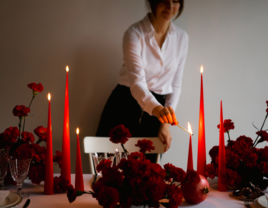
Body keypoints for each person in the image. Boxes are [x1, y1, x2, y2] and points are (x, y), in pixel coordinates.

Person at [96, 0, 188, 161]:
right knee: (111, 167)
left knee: (146, 174)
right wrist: (158, 110)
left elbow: (175, 84)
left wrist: (165, 123)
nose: (170, 7)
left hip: (158, 111)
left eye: (175, 1)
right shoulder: (134, 33)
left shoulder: (182, 38)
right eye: (164, 1)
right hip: (125, 102)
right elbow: (137, 83)